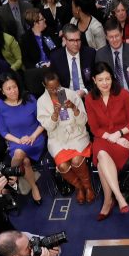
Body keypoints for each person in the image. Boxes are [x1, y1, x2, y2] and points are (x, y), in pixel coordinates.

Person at [84, 61, 129, 219]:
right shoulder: (89, 99)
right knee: (101, 156)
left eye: (107, 79)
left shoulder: (123, 94)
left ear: (112, 78)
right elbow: (94, 128)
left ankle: (108, 201)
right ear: (94, 80)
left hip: (124, 137)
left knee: (101, 160)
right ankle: (118, 197)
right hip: (103, 137)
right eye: (100, 80)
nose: (105, 83)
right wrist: (111, 138)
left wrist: (119, 135)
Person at [37, 69, 94, 204]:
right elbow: (48, 127)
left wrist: (74, 108)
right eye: (51, 89)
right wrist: (55, 115)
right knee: (62, 166)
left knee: (76, 161)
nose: (55, 91)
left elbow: (84, 121)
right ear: (44, 86)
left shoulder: (71, 94)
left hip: (77, 135)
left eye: (57, 87)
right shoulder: (41, 102)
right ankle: (79, 187)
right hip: (57, 139)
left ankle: (88, 187)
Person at [0, 72, 45, 205]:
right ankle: (34, 188)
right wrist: (18, 141)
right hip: (15, 142)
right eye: (8, 89)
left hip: (35, 138)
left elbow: (43, 122)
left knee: (19, 153)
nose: (13, 91)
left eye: (14, 87)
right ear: (2, 91)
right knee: (25, 161)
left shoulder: (30, 98)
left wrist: (32, 136)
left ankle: (11, 177)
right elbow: (2, 130)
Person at [95, 18, 129, 114]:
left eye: (117, 36)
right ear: (106, 37)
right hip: (109, 97)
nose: (114, 40)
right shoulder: (100, 55)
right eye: (111, 37)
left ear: (122, 33)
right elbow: (100, 82)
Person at [49, 23, 96, 99]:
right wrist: (64, 101)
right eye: (71, 40)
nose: (76, 44)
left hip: (87, 95)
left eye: (78, 40)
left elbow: (96, 79)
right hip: (65, 96)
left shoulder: (90, 54)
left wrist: (85, 91)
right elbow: (55, 85)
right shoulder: (56, 57)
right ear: (64, 40)